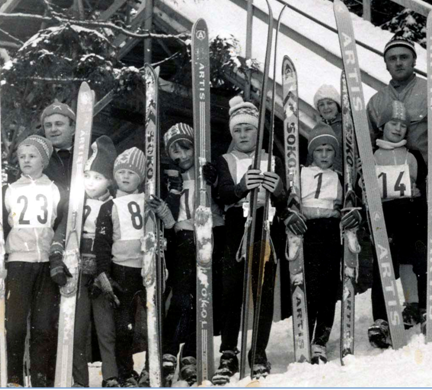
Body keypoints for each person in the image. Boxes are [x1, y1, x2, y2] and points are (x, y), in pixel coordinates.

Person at [367, 35, 432, 341]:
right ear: (385, 64)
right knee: (407, 245)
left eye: (404, 57)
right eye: (392, 58)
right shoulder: (377, 101)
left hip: (428, 175)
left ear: (414, 60)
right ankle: (414, 304)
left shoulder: (430, 91)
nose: (398, 63)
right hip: (394, 185)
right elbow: (368, 144)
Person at [211, 96, 304, 384]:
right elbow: (222, 194)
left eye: (248, 129)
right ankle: (228, 351)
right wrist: (240, 188)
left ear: (257, 131)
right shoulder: (225, 160)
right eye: (237, 130)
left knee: (262, 290)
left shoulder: (272, 159)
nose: (242, 135)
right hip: (236, 225)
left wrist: (278, 190)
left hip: (266, 223)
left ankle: (258, 352)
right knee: (231, 290)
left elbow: (285, 197)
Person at [94, 147, 175, 387]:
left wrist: (164, 214)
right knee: (124, 326)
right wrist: (103, 272)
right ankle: (126, 372)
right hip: (122, 270)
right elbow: (102, 243)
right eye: (121, 172)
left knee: (153, 321)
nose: (125, 177)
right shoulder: (108, 206)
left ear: (141, 177)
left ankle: (152, 367)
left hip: (149, 267)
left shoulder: (149, 201)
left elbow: (169, 228)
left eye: (131, 172)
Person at [156, 123, 224, 386]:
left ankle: (192, 354)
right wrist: (169, 202)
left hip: (209, 235)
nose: (182, 156)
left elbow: (223, 197)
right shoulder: (171, 178)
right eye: (176, 151)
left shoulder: (208, 172)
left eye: (186, 148)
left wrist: (214, 180)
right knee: (182, 297)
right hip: (183, 238)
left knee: (203, 296)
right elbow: (169, 217)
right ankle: (169, 351)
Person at [49, 136, 119, 387]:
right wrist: (57, 255)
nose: (90, 182)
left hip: (102, 271)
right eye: (87, 175)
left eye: (97, 177)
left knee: (105, 328)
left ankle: (111, 376)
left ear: (109, 180)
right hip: (76, 271)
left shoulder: (114, 204)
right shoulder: (76, 204)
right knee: (76, 329)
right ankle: (79, 381)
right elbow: (61, 231)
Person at [3, 135, 64, 387]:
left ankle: (40, 378)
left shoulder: (54, 189)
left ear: (44, 160)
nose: (26, 160)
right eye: (22, 157)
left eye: (32, 156)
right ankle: (14, 377)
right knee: (16, 324)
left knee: (43, 325)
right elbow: (3, 223)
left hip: (45, 262)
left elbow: (59, 223)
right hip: (18, 262)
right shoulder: (10, 189)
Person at [298, 123, 342, 364]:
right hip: (307, 231)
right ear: (311, 153)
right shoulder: (301, 174)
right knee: (309, 284)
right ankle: (305, 332)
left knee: (328, 285)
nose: (324, 155)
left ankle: (320, 340)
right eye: (319, 150)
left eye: (329, 150)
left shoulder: (339, 177)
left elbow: (347, 204)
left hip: (330, 231)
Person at [41, 100, 76, 191]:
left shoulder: (87, 154)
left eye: (59, 124)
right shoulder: (37, 158)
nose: (53, 129)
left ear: (73, 128)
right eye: (48, 125)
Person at [313, 85, 342, 175]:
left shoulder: (347, 126)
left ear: (337, 105)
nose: (326, 107)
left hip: (343, 177)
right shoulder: (317, 130)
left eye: (329, 103)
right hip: (323, 178)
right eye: (321, 104)